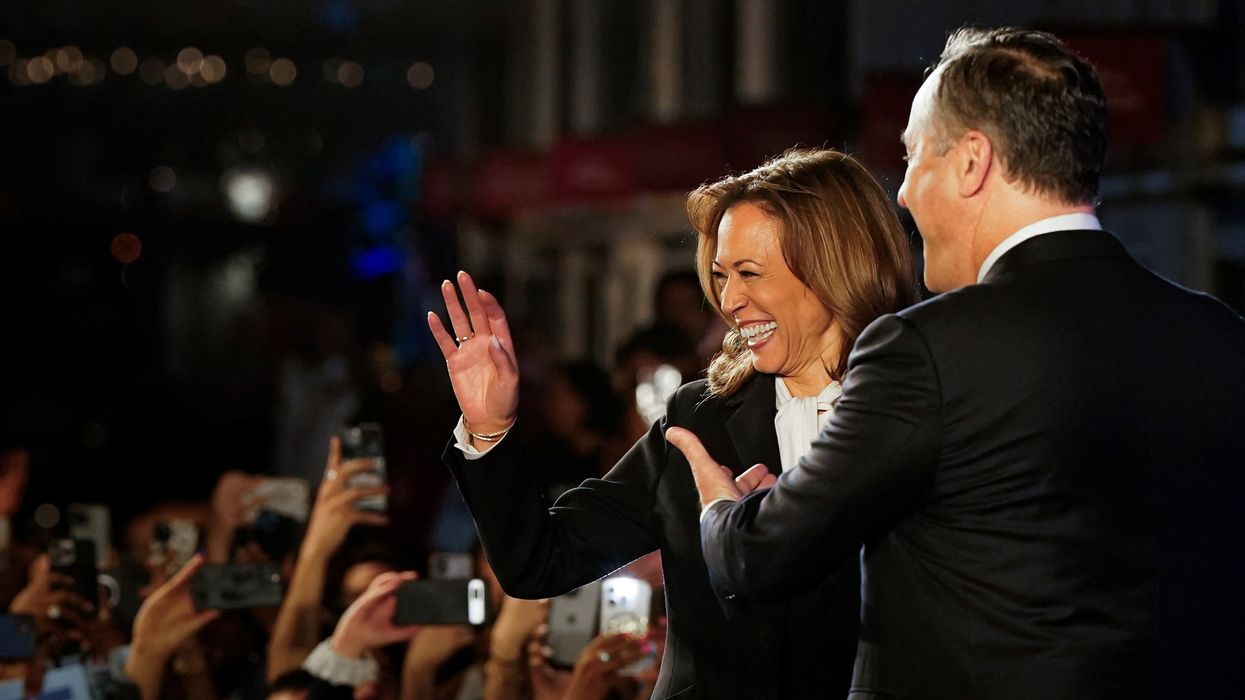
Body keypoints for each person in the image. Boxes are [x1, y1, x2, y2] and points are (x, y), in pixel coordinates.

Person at [667, 27, 1245, 699]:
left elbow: (759, 557)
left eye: (913, 158)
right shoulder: (1219, 337)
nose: (904, 193)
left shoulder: (923, 350)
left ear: (972, 162)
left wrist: (719, 507)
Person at [427, 148, 919, 699]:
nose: (730, 301)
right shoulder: (699, 420)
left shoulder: (927, 412)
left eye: (749, 273)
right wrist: (489, 427)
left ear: (835, 268)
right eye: (721, 276)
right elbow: (539, 562)